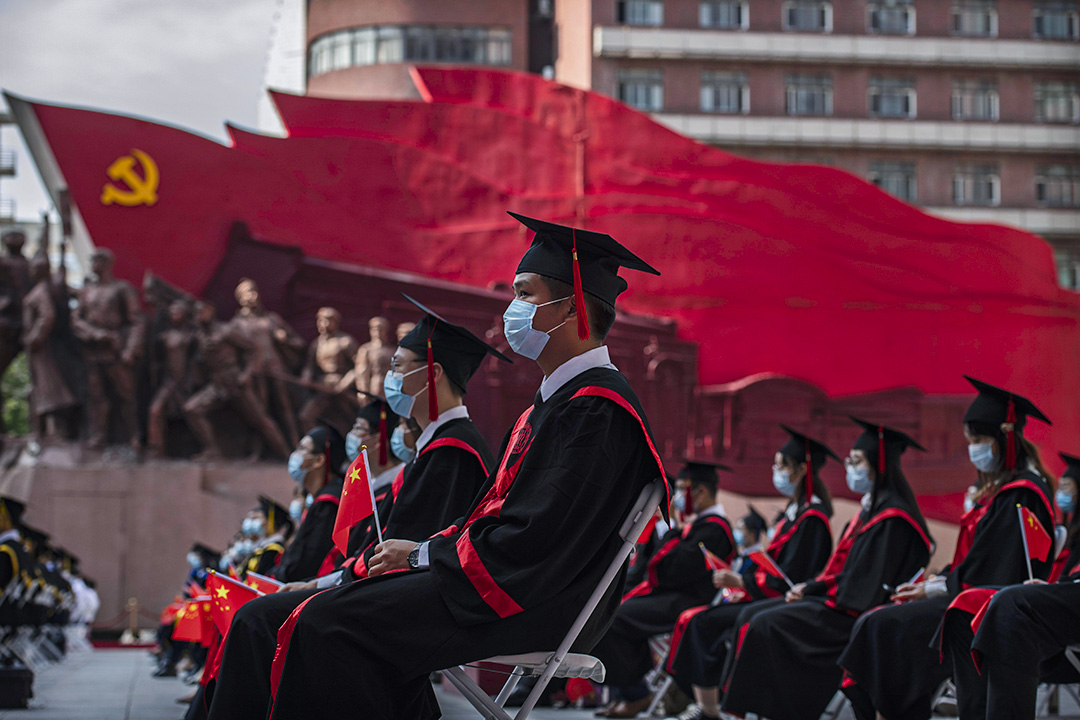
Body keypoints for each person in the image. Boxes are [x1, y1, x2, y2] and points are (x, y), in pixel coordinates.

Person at [265, 212, 666, 719]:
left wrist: (421, 558)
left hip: (537, 598)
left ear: (575, 307)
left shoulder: (595, 411)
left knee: (328, 623)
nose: (511, 310)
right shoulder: (557, 404)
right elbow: (500, 520)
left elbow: (534, 538)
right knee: (337, 617)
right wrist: (425, 551)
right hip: (517, 582)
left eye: (525, 293)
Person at [201, 304, 510, 720]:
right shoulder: (438, 448)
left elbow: (397, 555)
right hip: (391, 583)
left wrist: (318, 584)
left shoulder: (453, 451)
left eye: (399, 366)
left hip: (420, 593)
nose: (391, 378)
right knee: (260, 614)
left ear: (433, 373)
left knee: (262, 619)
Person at [840, 381, 1056, 720]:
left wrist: (932, 588)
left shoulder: (1022, 494)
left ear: (1004, 438)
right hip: (966, 596)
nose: (973, 450)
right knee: (877, 621)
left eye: (978, 441)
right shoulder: (1000, 492)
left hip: (986, 609)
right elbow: (975, 562)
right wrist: (933, 584)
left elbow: (994, 571)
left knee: (885, 626)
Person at [721, 417, 933, 720]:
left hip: (856, 616)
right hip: (843, 604)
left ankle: (778, 712)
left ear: (878, 464)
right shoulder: (871, 511)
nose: (850, 467)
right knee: (758, 617)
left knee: (766, 624)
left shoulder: (893, 521)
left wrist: (816, 591)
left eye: (857, 460)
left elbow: (865, 587)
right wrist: (813, 588)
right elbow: (853, 574)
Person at [663, 426, 836, 720]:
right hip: (764, 594)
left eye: (781, 466)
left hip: (790, 601)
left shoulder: (812, 520)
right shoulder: (794, 515)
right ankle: (708, 706)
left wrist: (741, 581)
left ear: (800, 471)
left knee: (709, 623)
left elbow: (792, 576)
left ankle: (720, 707)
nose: (775, 471)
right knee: (701, 621)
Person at [592, 459, 736, 718]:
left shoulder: (716, 529)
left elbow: (672, 573)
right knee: (605, 609)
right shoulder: (697, 526)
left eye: (681, 489)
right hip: (670, 597)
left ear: (700, 491)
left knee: (614, 618)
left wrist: (668, 529)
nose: (676, 496)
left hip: (687, 601)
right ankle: (630, 693)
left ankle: (636, 694)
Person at [70, 248, 143, 449]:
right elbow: (76, 320)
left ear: (107, 264)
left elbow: (136, 321)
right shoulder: (86, 291)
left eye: (97, 261)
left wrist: (130, 349)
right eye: (92, 261)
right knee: (96, 395)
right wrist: (94, 334)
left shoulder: (122, 289)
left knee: (126, 395)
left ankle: (134, 435)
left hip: (116, 351)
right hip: (94, 351)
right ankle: (98, 435)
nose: (94, 265)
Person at [269, 424, 347, 583]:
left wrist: (276, 576)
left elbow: (304, 565)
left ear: (319, 460)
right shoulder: (319, 500)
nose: (295, 455)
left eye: (302, 449)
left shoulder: (329, 503)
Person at [297, 307, 358, 430]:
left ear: (335, 322)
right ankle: (316, 445)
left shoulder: (345, 341)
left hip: (341, 389)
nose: (323, 324)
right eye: (320, 321)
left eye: (327, 321)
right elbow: (309, 366)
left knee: (351, 422)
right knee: (305, 417)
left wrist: (343, 384)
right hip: (323, 388)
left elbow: (359, 367)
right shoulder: (317, 344)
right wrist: (306, 377)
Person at [245, 497, 293, 577]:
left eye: (258, 518)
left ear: (270, 521)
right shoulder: (263, 546)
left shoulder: (274, 549)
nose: (254, 523)